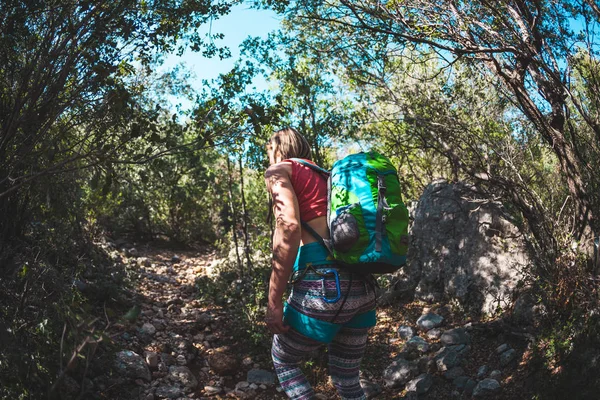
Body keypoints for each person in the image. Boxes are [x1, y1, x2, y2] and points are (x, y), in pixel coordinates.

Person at [264, 127, 377, 400]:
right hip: (363, 287)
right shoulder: (331, 177)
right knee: (347, 379)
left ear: (276, 150)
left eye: (268, 152)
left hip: (323, 288)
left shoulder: (280, 171)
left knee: (285, 360)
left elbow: (289, 227)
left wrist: (274, 301)